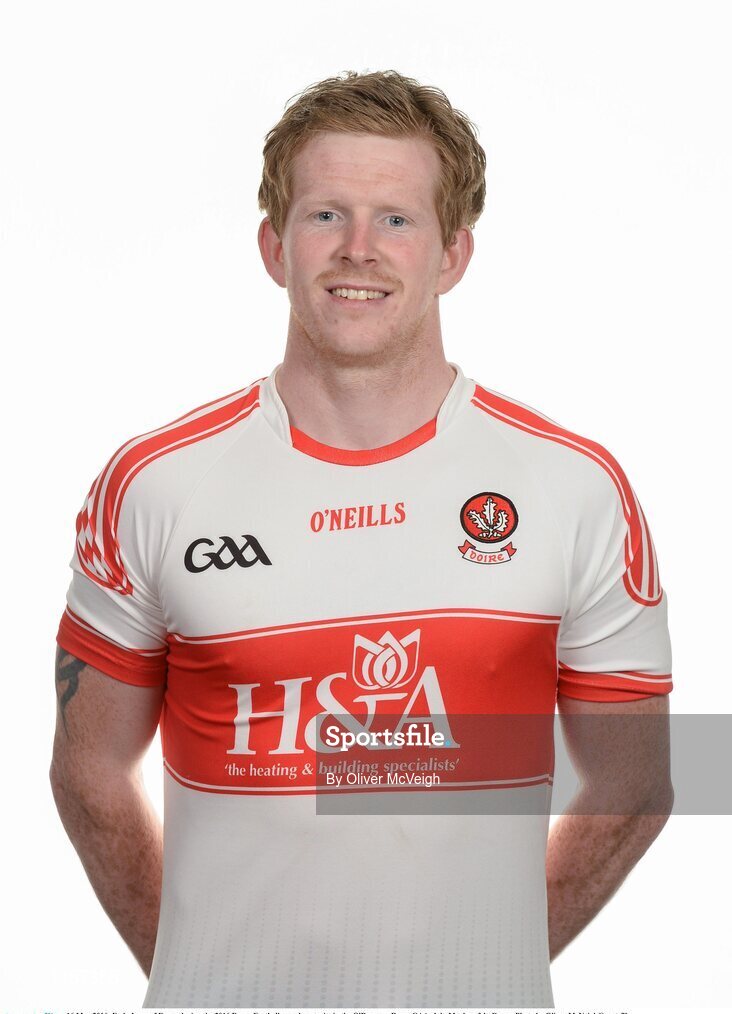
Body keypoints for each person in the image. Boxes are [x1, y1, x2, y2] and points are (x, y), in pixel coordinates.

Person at [51, 69, 674, 1009]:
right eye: (324, 215)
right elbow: (90, 771)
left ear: (453, 253)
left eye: (396, 219)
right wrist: (199, 972)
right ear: (274, 246)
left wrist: (481, 973)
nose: (358, 249)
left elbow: (638, 782)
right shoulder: (154, 484)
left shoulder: (573, 487)